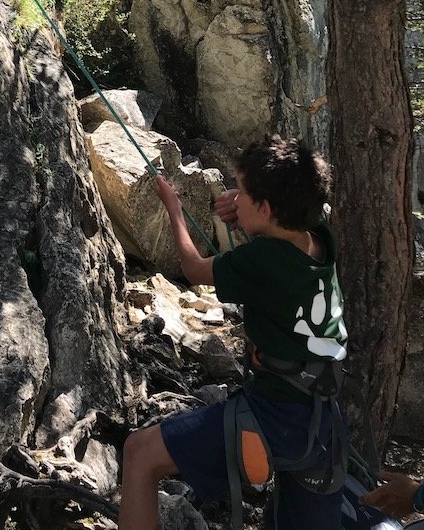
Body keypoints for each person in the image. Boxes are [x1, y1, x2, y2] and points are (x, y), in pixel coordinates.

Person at [119, 135, 348, 530]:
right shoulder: (320, 236)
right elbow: (280, 223)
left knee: (140, 453)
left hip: (273, 415)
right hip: (321, 419)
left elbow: (192, 269)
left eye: (241, 193)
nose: (234, 199)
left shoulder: (261, 260)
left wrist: (174, 207)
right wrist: (243, 207)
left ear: (265, 207)